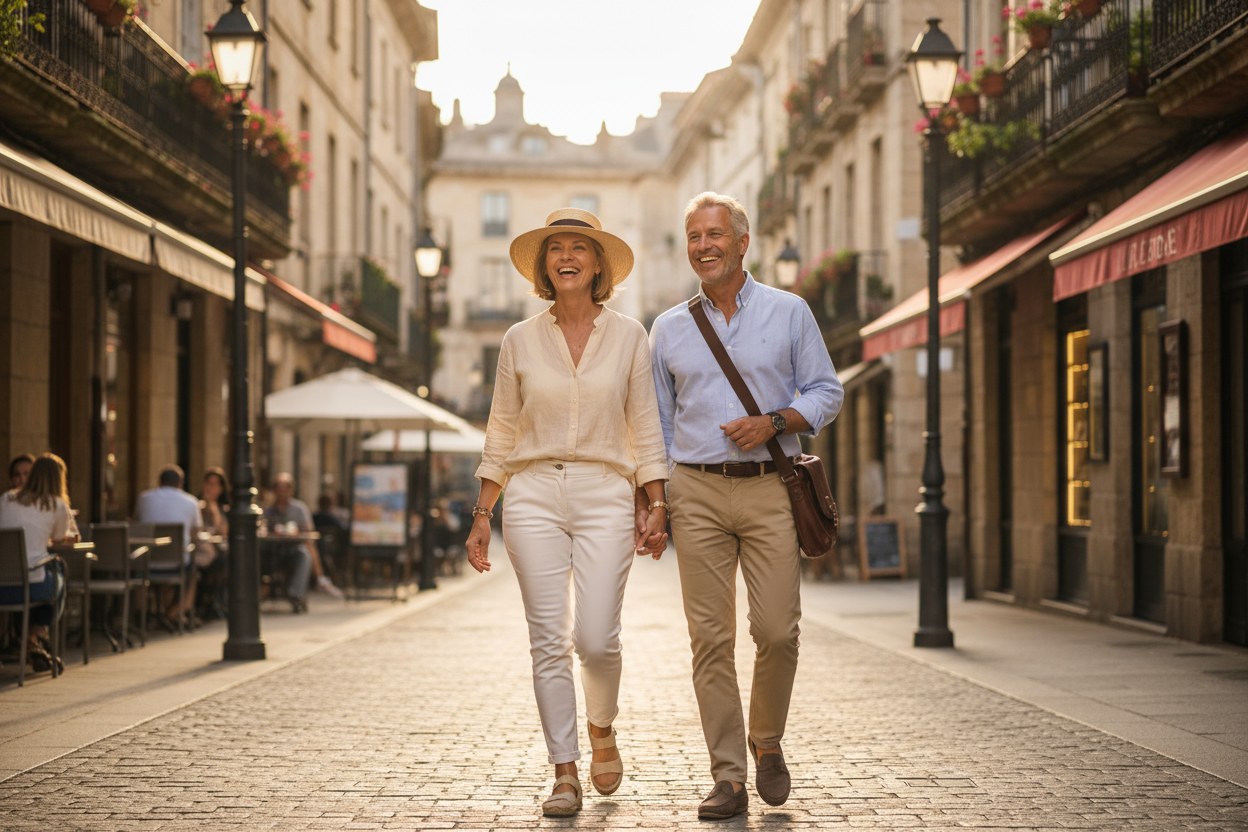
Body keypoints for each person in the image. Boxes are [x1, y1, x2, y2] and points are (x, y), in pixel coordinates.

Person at [465, 208, 670, 817]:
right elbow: (502, 428)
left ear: (599, 263)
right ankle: (564, 772)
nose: (567, 256)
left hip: (607, 490)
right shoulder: (518, 339)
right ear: (544, 264)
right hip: (531, 494)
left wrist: (657, 501)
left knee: (597, 638)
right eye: (556, 247)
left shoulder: (630, 336)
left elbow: (645, 424)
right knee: (547, 640)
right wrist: (483, 511)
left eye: (580, 246)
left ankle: (601, 725)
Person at [650, 192, 843, 819]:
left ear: (742, 242)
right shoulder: (668, 328)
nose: (703, 246)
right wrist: (655, 500)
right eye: (694, 236)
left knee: (778, 630)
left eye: (714, 234)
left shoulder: (790, 312)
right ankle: (729, 776)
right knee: (710, 638)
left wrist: (775, 422)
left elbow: (827, 391)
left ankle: (767, 741)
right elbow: (657, 425)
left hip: (769, 486)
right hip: (696, 490)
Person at [0, 453, 76, 674]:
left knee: (40, 574)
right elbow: (59, 539)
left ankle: (29, 641)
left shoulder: (6, 498)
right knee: (57, 569)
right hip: (31, 587)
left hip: (2, 587)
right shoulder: (56, 504)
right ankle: (35, 637)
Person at [262, 473, 342, 611]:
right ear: (274, 491)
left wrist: (296, 531)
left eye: (285, 489)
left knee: (304, 554)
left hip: (293, 549)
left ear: (291, 490)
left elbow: (308, 530)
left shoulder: (299, 509)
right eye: (278, 489)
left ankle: (296, 594)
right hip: (271, 550)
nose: (282, 492)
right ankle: (320, 578)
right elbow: (262, 530)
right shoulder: (267, 510)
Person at [135, 465, 202, 627]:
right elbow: (196, 535)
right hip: (176, 563)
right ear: (180, 484)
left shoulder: (144, 498)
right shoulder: (191, 501)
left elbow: (137, 524)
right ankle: (174, 613)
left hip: (146, 561)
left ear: (159, 482)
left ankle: (153, 613)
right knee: (193, 572)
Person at [195, 468, 230, 619]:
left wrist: (213, 508)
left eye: (215, 484)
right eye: (208, 483)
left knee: (228, 559)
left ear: (221, 488)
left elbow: (222, 531)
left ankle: (216, 602)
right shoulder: (197, 506)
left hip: (218, 550)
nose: (211, 488)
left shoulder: (224, 509)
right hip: (201, 552)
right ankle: (207, 603)